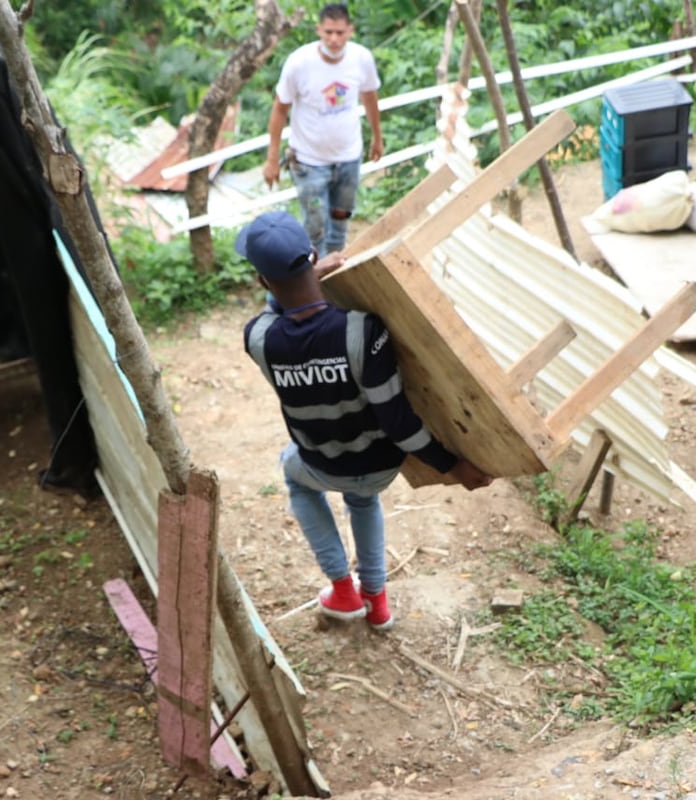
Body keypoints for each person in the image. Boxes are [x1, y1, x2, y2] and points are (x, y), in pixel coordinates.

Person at [238, 210, 492, 631]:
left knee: (294, 474)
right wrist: (451, 466)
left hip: (320, 464)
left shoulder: (259, 338)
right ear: (313, 255)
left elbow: (274, 308)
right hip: (377, 467)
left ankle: (342, 589)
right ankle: (376, 600)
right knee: (362, 497)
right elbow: (397, 421)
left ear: (264, 282)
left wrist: (302, 278)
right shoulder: (363, 331)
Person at [262, 3, 383, 257]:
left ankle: (335, 270)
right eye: (328, 32)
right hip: (309, 161)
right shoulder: (299, 63)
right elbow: (279, 109)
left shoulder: (361, 59)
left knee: (341, 218)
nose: (334, 39)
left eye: (340, 32)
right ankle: (312, 276)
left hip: (348, 156)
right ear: (319, 30)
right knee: (315, 226)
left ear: (350, 30)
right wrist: (271, 158)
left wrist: (377, 137)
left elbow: (370, 97)